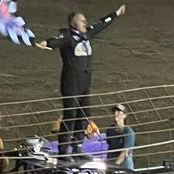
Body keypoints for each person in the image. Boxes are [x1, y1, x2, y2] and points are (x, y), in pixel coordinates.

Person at [36, 4, 126, 161]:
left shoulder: (86, 35)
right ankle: (64, 150)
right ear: (73, 23)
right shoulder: (67, 38)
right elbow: (54, 41)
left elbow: (101, 23)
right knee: (70, 115)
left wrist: (116, 13)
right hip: (71, 84)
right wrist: (43, 43)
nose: (85, 22)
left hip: (85, 85)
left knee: (85, 115)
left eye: (85, 20)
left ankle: (77, 145)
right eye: (81, 20)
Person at [106, 104, 135, 170]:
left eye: (119, 112)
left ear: (124, 116)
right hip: (111, 164)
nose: (116, 113)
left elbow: (125, 152)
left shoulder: (128, 131)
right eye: (114, 112)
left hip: (124, 166)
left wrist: (114, 165)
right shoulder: (109, 130)